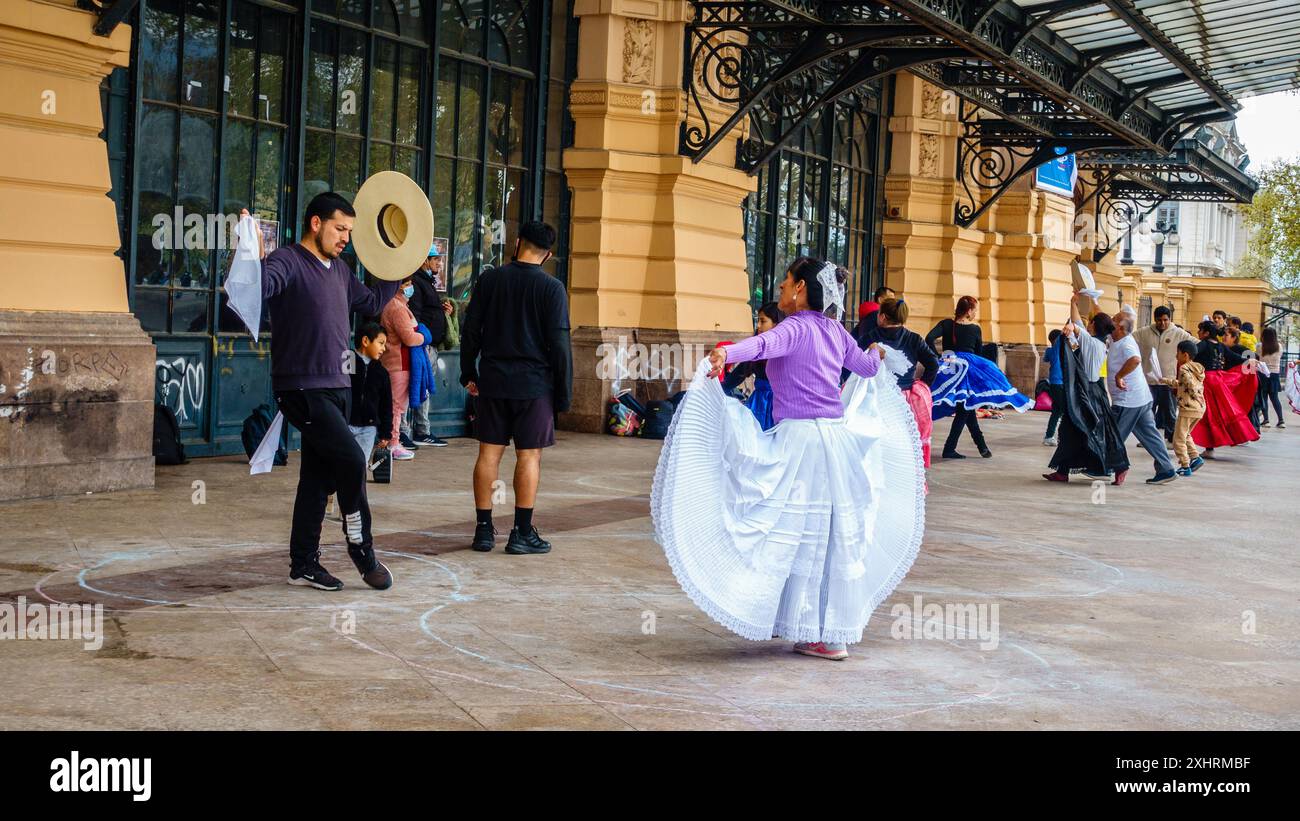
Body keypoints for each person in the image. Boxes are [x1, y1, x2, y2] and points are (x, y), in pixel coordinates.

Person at [651, 256, 925, 661]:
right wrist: (877, 353)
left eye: (786, 280)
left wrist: (726, 353)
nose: (780, 286)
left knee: (789, 530)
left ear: (799, 288)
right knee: (826, 537)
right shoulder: (834, 330)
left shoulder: (795, 327)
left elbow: (763, 345)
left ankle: (811, 628)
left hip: (803, 443)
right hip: (836, 443)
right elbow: (866, 368)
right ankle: (825, 631)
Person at [254, 192, 396, 591]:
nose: (346, 238)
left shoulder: (340, 271)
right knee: (351, 459)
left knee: (316, 480)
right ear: (316, 223)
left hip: (338, 385)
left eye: (349, 231)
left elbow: (371, 302)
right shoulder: (287, 260)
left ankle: (303, 564)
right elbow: (261, 286)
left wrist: (396, 265)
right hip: (302, 388)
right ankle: (362, 549)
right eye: (340, 229)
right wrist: (253, 254)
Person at [461, 221, 572, 555]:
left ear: (518, 242)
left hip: (493, 380)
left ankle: (483, 530)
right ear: (548, 255)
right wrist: (563, 393)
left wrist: (468, 372)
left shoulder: (490, 280)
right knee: (529, 455)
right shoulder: (552, 289)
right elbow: (560, 345)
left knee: (488, 453)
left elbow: (471, 330)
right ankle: (521, 533)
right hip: (534, 385)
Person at [926, 296, 1031, 459]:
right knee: (965, 410)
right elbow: (978, 353)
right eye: (975, 310)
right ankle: (952, 448)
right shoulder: (974, 329)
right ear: (969, 311)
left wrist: (939, 357)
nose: (975, 314)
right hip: (968, 370)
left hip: (951, 369)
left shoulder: (946, 324)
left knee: (966, 409)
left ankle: (982, 448)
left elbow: (929, 338)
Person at [1044, 292, 1129, 484]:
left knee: (1078, 429)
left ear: (1095, 326)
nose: (1087, 324)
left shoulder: (1091, 343)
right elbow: (1077, 324)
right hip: (1092, 391)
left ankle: (1119, 467)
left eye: (1091, 322)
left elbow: (1076, 326)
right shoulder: (1099, 341)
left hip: (1086, 392)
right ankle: (1064, 471)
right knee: (1076, 430)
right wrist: (1073, 303)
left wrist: (1071, 325)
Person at [859, 297, 939, 467]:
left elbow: (854, 361)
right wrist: (922, 385)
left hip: (876, 396)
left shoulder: (870, 337)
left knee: (878, 441)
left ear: (882, 317)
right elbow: (933, 364)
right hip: (906, 398)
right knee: (905, 442)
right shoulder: (914, 339)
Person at [1106, 312, 1178, 484]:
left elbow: (1135, 360)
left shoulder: (1126, 343)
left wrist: (1119, 376)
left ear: (1120, 327)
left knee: (1112, 435)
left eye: (1114, 320)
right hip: (1141, 399)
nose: (1111, 321)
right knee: (1151, 436)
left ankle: (1105, 467)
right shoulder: (1116, 338)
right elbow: (1100, 315)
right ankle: (1166, 469)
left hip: (1128, 401)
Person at [406, 244, 454, 447]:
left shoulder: (426, 282)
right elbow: (415, 314)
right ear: (425, 260)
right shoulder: (418, 282)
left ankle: (420, 430)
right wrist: (418, 340)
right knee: (417, 388)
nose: (439, 263)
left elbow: (427, 311)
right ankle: (416, 431)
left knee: (423, 388)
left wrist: (444, 312)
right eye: (435, 259)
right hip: (423, 345)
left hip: (429, 344)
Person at [1192, 320, 1258, 454]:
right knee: (1224, 412)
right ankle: (1230, 438)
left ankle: (1204, 447)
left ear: (1206, 333)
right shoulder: (1221, 346)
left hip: (1206, 381)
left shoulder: (1204, 344)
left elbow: (1192, 353)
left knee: (1208, 414)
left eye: (1200, 330)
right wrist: (1249, 361)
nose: (1198, 333)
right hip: (1218, 380)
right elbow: (1235, 357)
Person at [380, 275, 426, 461]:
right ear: (399, 286)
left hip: (399, 362)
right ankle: (393, 443)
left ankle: (394, 441)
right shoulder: (397, 308)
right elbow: (409, 338)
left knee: (397, 405)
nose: (411, 287)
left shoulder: (398, 305)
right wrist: (424, 336)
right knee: (397, 406)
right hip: (398, 363)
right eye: (408, 284)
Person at [1132, 306, 1194, 443]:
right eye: (1159, 320)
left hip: (1168, 381)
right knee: (1147, 412)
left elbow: (1194, 344)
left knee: (1170, 412)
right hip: (1149, 381)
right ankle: (1148, 439)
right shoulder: (1144, 332)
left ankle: (1171, 439)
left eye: (1165, 320)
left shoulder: (1178, 333)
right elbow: (1129, 340)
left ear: (1170, 319)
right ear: (1155, 319)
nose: (1163, 323)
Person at [721, 302, 783, 430]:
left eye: (763, 321)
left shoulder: (786, 351)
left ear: (776, 324)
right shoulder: (755, 351)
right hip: (758, 405)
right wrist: (714, 389)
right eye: (758, 321)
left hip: (781, 407)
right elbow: (736, 376)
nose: (758, 325)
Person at [348, 321, 393, 463]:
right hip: (344, 424)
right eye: (381, 343)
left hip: (368, 428)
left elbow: (386, 405)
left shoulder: (381, 372)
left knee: (360, 464)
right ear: (366, 341)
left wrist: (385, 433)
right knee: (341, 465)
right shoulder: (348, 361)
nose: (384, 348)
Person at [1162, 340, 1206, 477]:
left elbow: (1190, 385)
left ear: (1185, 355)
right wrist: (1165, 380)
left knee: (1178, 439)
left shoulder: (1184, 368)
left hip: (1188, 408)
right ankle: (1195, 457)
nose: (1176, 356)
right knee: (1185, 435)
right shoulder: (1197, 368)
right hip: (1199, 409)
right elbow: (1182, 384)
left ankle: (1185, 465)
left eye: (1178, 353)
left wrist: (1195, 394)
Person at [1259, 327, 1285, 428]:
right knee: (1275, 398)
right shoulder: (1279, 347)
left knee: (1264, 397)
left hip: (1263, 374)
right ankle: (1281, 421)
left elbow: (1257, 357)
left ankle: (1266, 420)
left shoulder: (1259, 346)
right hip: (1275, 375)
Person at [1043, 328, 1065, 447]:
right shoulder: (1056, 350)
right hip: (1059, 384)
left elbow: (1045, 358)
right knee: (1065, 411)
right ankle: (1064, 437)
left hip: (1054, 384)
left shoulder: (1050, 351)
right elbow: (1060, 339)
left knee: (1057, 411)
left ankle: (1049, 436)